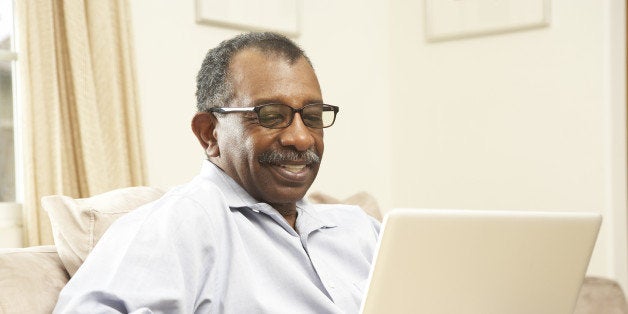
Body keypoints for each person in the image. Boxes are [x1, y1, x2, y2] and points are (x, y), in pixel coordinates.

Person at [54, 32, 380, 314]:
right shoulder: (183, 223)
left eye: (311, 116)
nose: (300, 137)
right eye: (270, 115)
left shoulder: (361, 230)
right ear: (210, 133)